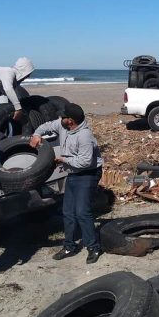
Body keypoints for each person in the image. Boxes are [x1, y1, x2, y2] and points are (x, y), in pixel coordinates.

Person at [29, 103, 104, 264]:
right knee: (68, 211)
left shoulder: (85, 136)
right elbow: (46, 126)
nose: (60, 118)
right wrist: (36, 134)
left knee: (82, 212)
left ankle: (93, 247)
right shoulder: (62, 125)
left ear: (71, 120)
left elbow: (85, 162)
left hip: (88, 174)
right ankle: (69, 246)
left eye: (63, 116)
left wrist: (63, 160)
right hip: (73, 172)